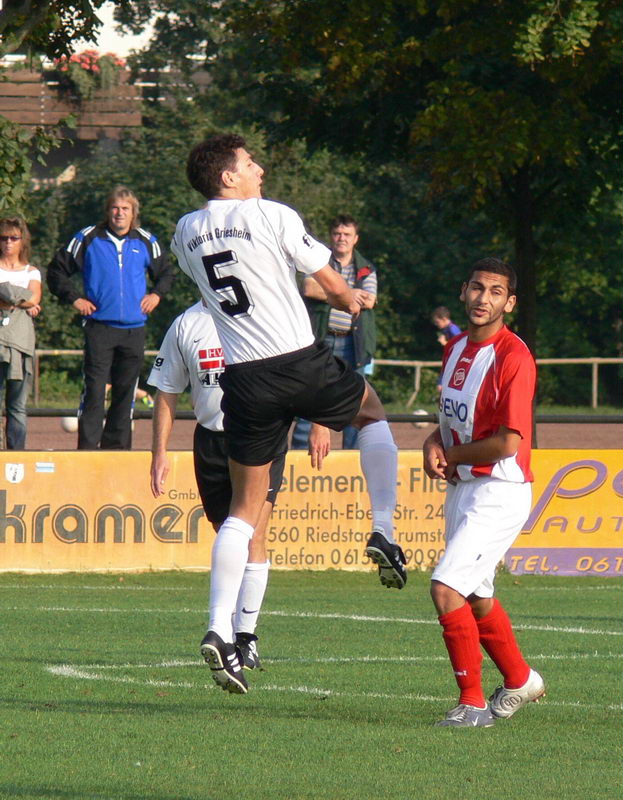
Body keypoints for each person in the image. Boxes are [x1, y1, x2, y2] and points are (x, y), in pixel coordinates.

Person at [171, 133, 404, 694]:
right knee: (373, 416)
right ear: (228, 176)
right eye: (249, 163)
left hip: (244, 380)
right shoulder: (270, 214)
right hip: (298, 361)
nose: (259, 169)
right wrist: (351, 298)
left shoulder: (184, 230)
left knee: (244, 513)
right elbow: (327, 279)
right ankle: (384, 530)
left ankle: (218, 629)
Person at [147, 300, 322, 685]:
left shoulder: (263, 312)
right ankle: (229, 634)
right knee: (228, 533)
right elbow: (166, 391)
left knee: (253, 532)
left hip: (260, 436)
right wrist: (159, 452)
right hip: (209, 440)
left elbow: (304, 372)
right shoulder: (186, 325)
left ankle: (242, 637)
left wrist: (320, 422)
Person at [422, 257, 544, 728]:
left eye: (496, 292)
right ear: (463, 291)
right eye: (477, 288)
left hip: (500, 486)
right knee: (475, 597)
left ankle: (472, 705)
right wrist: (435, 440)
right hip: (464, 486)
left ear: (508, 302)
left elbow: (508, 442)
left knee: (445, 587)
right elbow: (450, 420)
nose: (483, 298)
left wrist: (450, 455)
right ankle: (520, 679)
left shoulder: (514, 356)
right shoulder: (453, 348)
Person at [46, 186, 173, 450]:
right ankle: (89, 451)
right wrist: (75, 299)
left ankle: (117, 451)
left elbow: (167, 273)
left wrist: (157, 295)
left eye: (125, 209)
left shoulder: (146, 240)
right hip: (99, 327)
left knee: (125, 394)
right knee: (94, 392)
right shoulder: (88, 237)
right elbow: (56, 271)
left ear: (133, 212)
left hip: (134, 330)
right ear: (108, 211)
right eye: (115, 208)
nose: (119, 213)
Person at [291, 214, 377, 450]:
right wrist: (349, 293)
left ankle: (351, 459)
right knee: (309, 397)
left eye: (347, 234)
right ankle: (299, 460)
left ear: (355, 239)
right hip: (320, 338)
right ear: (331, 236)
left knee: (354, 401)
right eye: (337, 233)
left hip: (353, 344)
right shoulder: (318, 260)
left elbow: (369, 300)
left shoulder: (366, 267)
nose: (341, 238)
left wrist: (329, 290)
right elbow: (309, 288)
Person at [0, 216, 41, 449]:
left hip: (20, 344)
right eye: (3, 237)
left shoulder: (31, 271)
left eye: (13, 238)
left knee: (16, 406)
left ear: (22, 241)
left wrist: (5, 295)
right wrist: (21, 298)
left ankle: (17, 455)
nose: (8, 242)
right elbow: (28, 301)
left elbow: (35, 297)